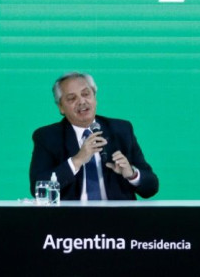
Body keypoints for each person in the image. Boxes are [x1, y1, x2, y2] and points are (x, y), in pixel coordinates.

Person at [29, 72, 158, 200]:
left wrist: (131, 174)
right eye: (72, 98)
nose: (82, 101)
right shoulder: (47, 137)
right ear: (61, 107)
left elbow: (151, 187)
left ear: (95, 98)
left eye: (86, 94)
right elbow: (38, 190)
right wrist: (77, 161)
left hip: (118, 218)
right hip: (70, 218)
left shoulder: (121, 130)